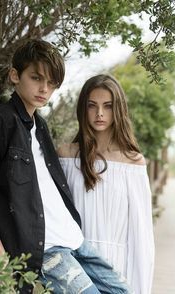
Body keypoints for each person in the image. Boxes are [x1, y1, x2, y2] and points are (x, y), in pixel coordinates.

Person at [0, 40, 132, 293]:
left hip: (74, 238)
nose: (44, 88)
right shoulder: (0, 122)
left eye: (52, 83)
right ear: (15, 75)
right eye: (36, 78)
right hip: (45, 248)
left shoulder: (39, 126)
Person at [58, 74, 155, 294]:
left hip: (119, 269)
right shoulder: (66, 156)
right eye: (92, 106)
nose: (99, 113)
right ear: (83, 109)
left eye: (108, 106)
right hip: (77, 267)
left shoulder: (132, 162)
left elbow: (141, 235)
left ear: (118, 109)